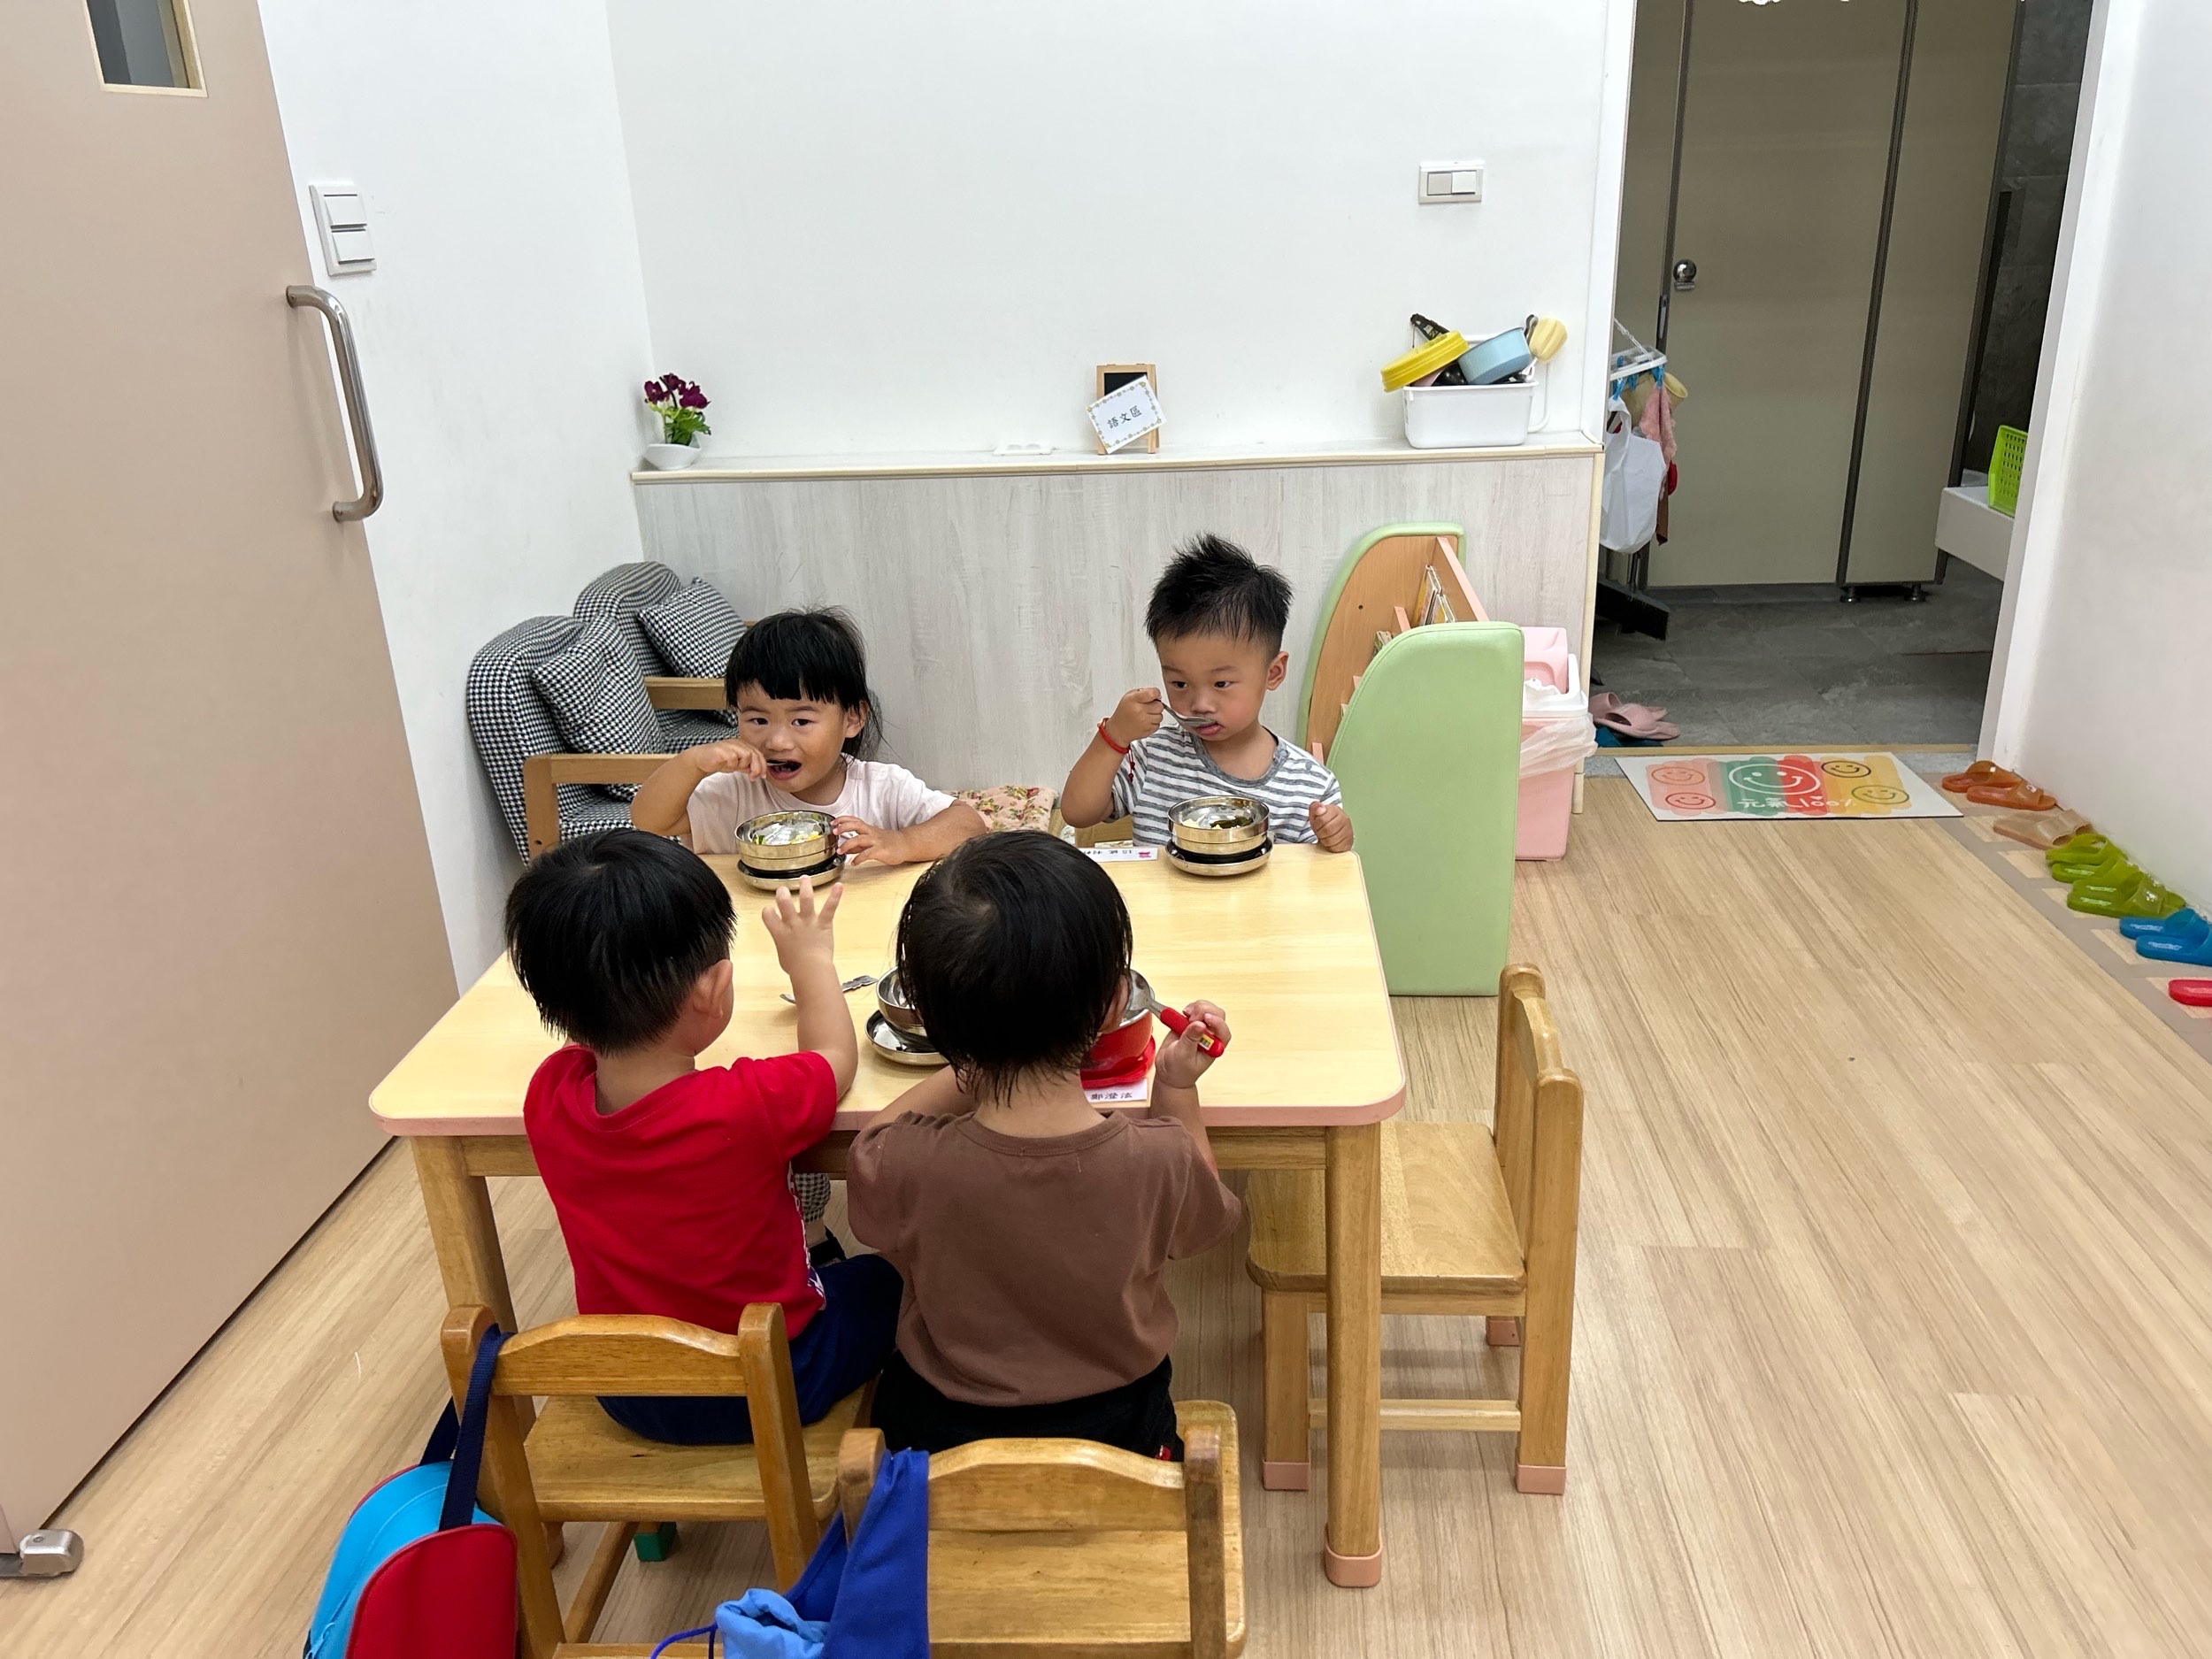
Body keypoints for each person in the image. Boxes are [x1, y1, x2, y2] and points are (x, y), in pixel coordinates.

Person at [846, 833, 1241, 1459]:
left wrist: (972, 1059)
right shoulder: (1159, 1159)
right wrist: (1175, 1086)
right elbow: (1204, 1219)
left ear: (925, 1016)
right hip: (1120, 1436)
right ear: (1114, 1005)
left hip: (939, 1443)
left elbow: (871, 1141)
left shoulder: (902, 1160)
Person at [504, 829, 899, 1444]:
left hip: (630, 1390)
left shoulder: (549, 1094)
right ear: (712, 991)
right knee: (889, 1279)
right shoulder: (747, 1103)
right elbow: (834, 1058)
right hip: (775, 1381)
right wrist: (811, 963)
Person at [1058, 534, 1353, 851]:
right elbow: (1077, 813)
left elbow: (1327, 871)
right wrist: (1114, 736)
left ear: (1273, 673)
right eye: (1180, 684)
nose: (1199, 704)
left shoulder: (1309, 785)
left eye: (1221, 684)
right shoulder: (1152, 758)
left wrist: (1336, 839)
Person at [630, 607, 986, 866]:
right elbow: (649, 821)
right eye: (757, 719)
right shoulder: (733, 790)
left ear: (852, 718)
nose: (777, 741)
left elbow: (968, 824)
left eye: (801, 721)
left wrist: (900, 841)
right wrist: (691, 764)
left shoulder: (881, 788)